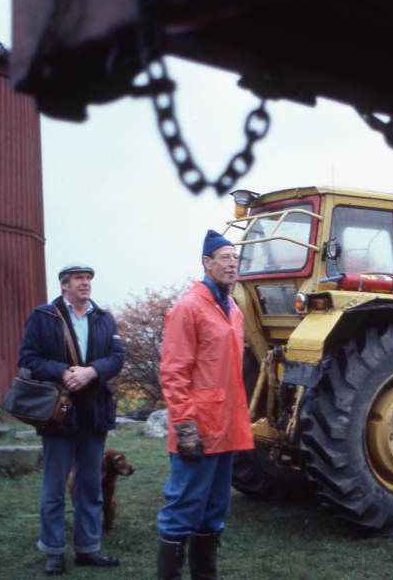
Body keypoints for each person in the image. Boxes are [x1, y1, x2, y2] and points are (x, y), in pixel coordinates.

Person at [156, 230, 253, 580]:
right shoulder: (189, 307)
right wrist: (185, 428)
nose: (232, 263)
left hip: (226, 428)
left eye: (235, 257)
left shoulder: (233, 310)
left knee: (215, 510)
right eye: (224, 257)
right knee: (183, 507)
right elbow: (173, 371)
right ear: (207, 263)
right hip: (196, 430)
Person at [19, 264, 125, 575]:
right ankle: (53, 551)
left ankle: (88, 549)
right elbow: (28, 359)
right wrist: (63, 372)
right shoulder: (44, 316)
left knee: (91, 485)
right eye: (79, 278)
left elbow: (118, 357)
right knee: (54, 486)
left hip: (94, 412)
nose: (86, 283)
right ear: (64, 285)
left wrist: (92, 371)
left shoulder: (104, 317)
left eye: (89, 278)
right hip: (58, 414)